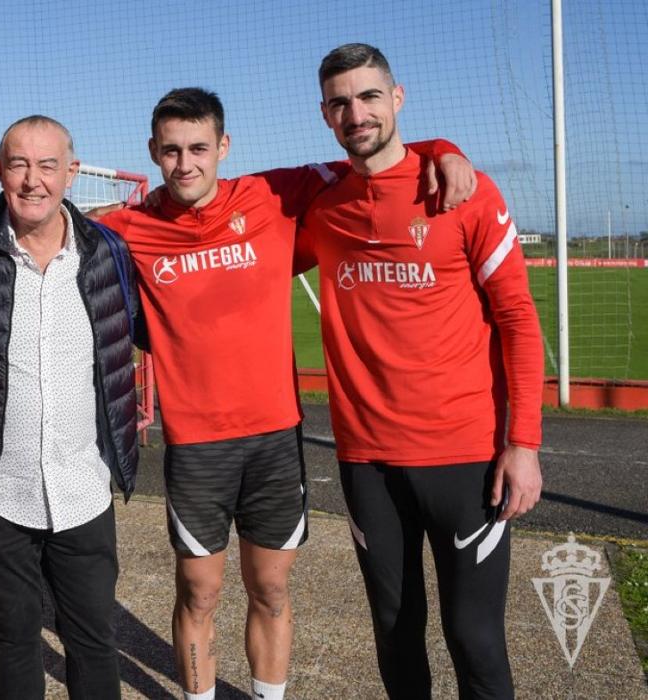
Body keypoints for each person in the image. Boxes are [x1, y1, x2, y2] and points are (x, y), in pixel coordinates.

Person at [0, 90, 472, 700]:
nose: (186, 164)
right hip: (197, 447)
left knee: (271, 589)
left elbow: (370, 154)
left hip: (275, 440)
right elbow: (40, 220)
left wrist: (441, 149)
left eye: (199, 148)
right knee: (199, 593)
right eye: (171, 151)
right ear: (154, 152)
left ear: (223, 147)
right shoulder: (125, 231)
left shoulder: (273, 194)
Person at [297, 43, 544, 699]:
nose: (357, 114)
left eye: (370, 96)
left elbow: (519, 319)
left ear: (398, 97)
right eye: (340, 103)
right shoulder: (322, 204)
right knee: (394, 631)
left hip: (465, 457)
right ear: (325, 114)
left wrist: (523, 445)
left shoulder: (464, 192)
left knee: (475, 638)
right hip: (367, 463)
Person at [0, 115, 140, 699]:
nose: (32, 180)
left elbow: (149, 333)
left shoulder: (108, 252)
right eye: (18, 164)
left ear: (71, 171)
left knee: (92, 639)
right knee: (13, 636)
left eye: (47, 165)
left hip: (82, 484)